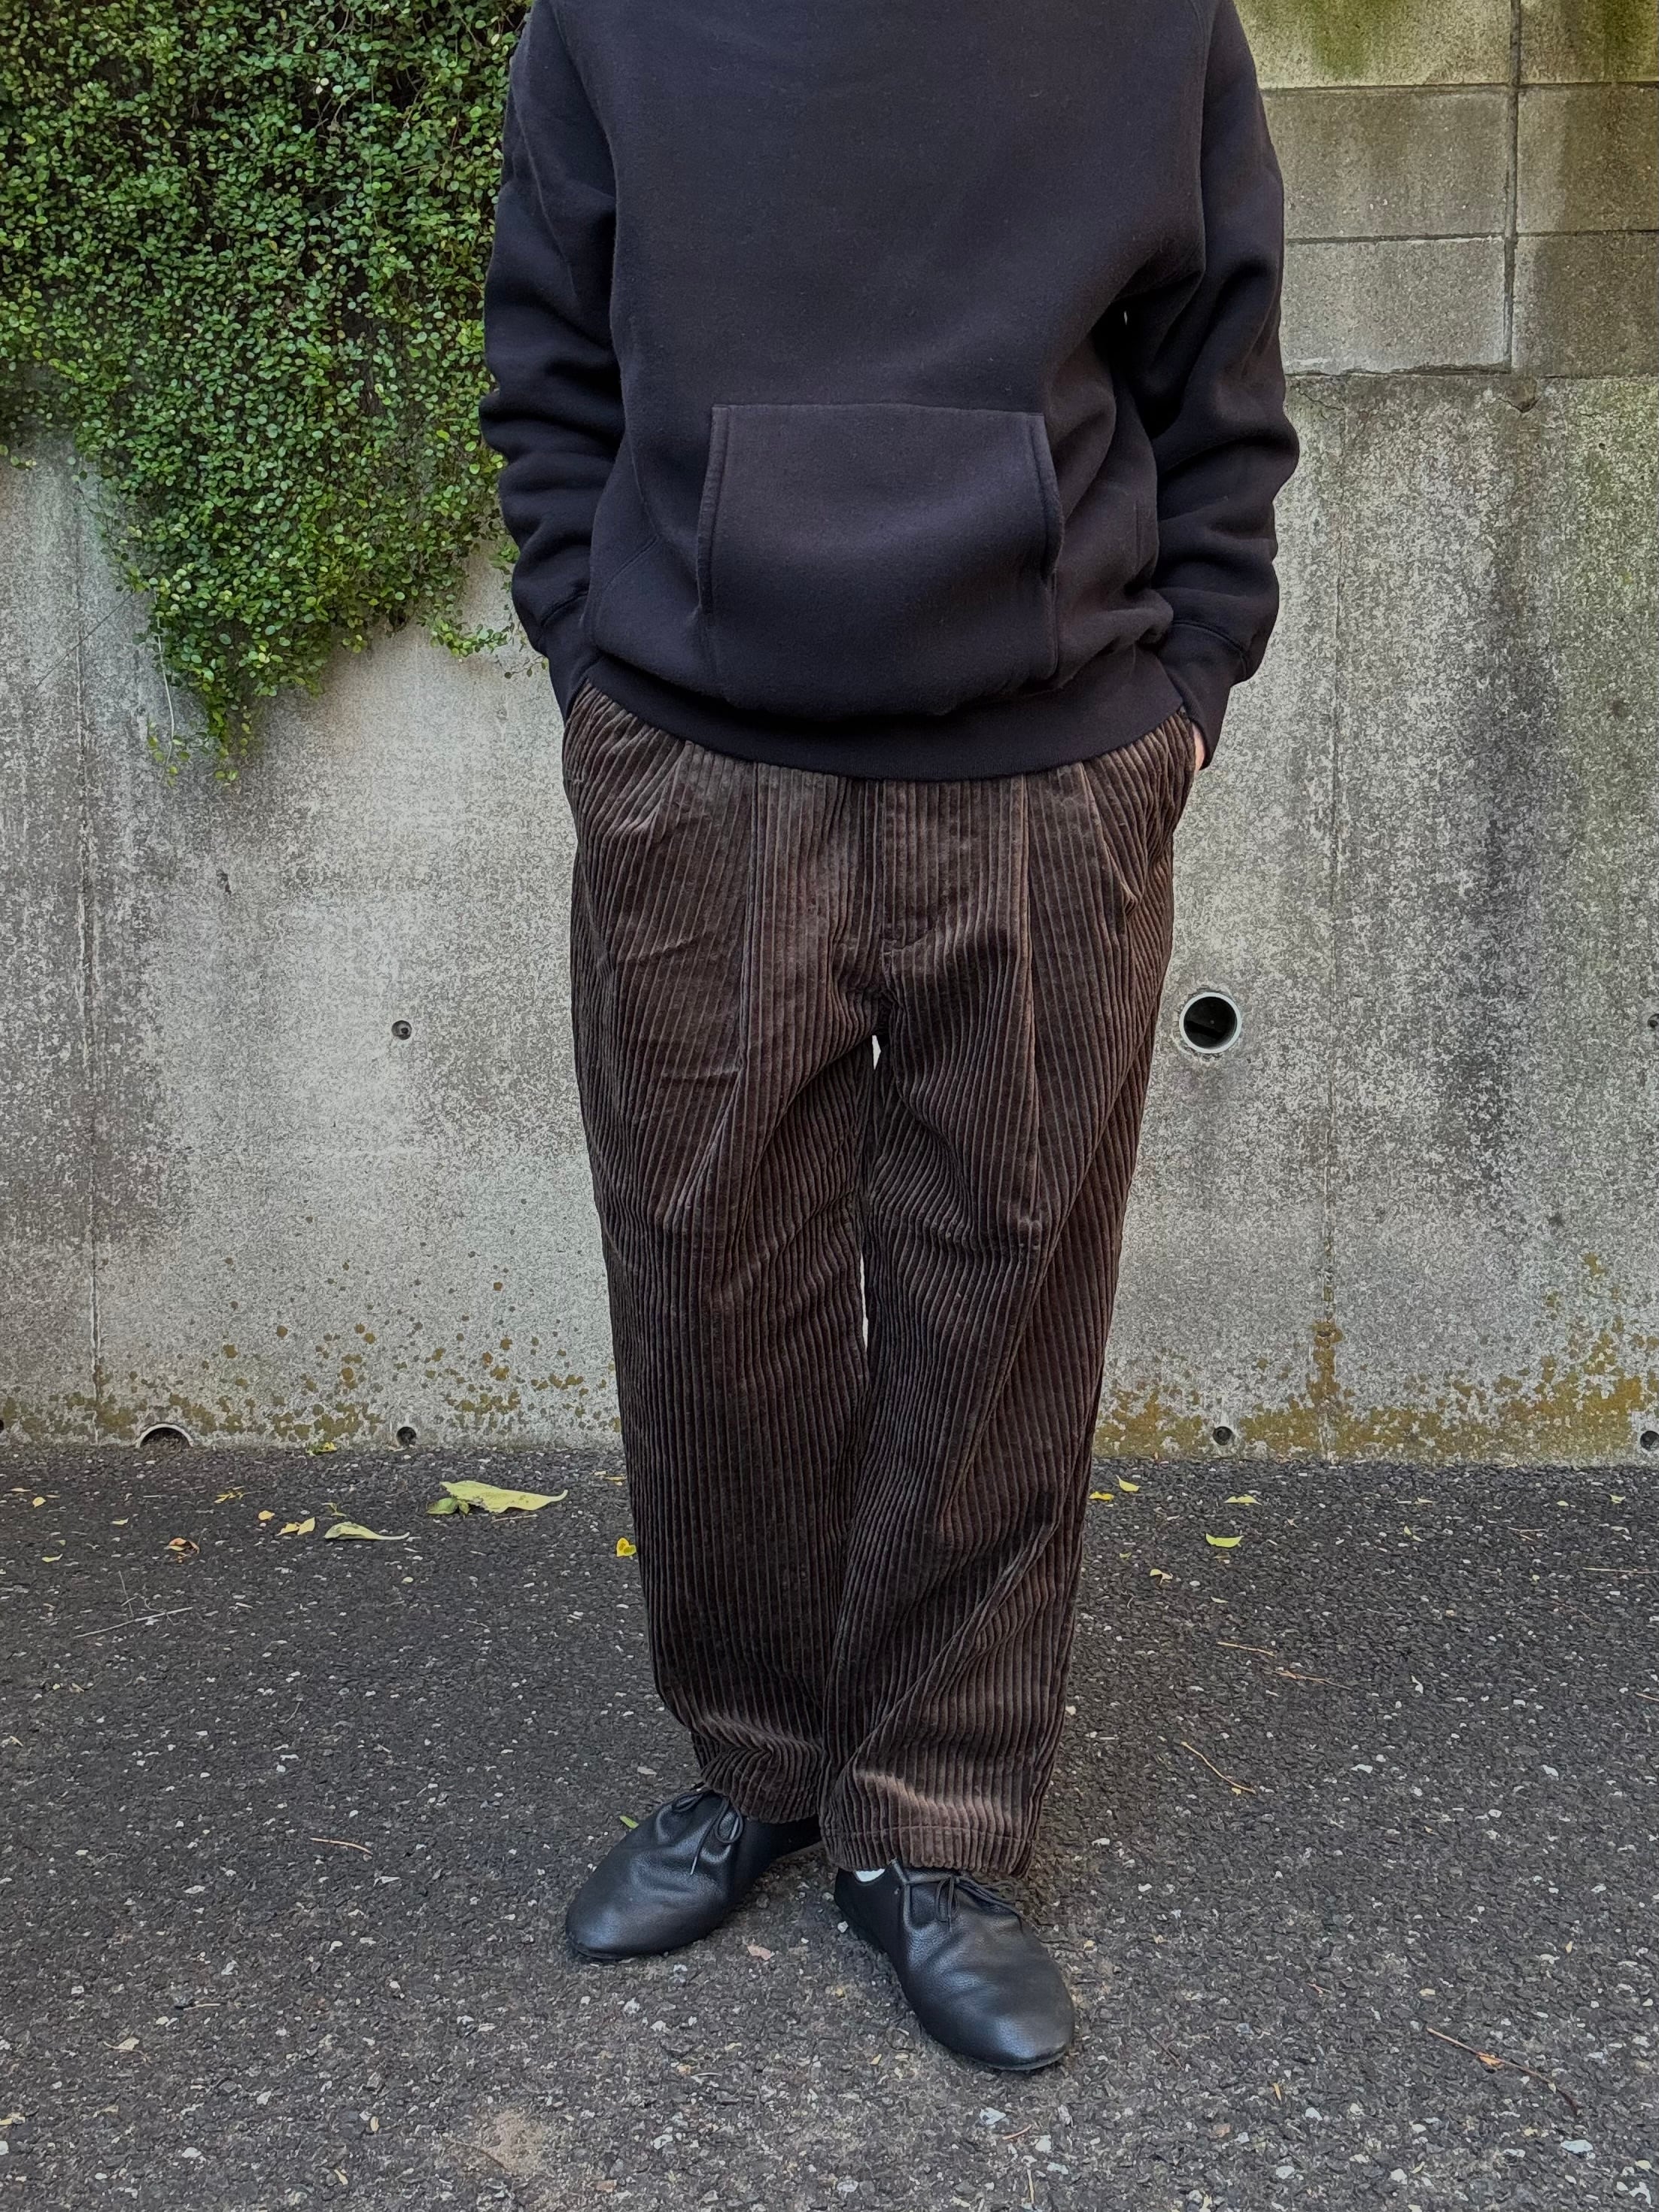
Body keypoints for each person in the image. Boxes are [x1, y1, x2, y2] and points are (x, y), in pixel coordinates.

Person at [481, 0, 1296, 2073]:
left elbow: (1219, 379)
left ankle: (935, 1821)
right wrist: (597, 675)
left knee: (1005, 1288)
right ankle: (754, 1757)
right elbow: (549, 357)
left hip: (1050, 769)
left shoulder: (1151, 23)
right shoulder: (612, 19)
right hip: (697, 766)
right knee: (707, 1282)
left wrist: (1186, 694)